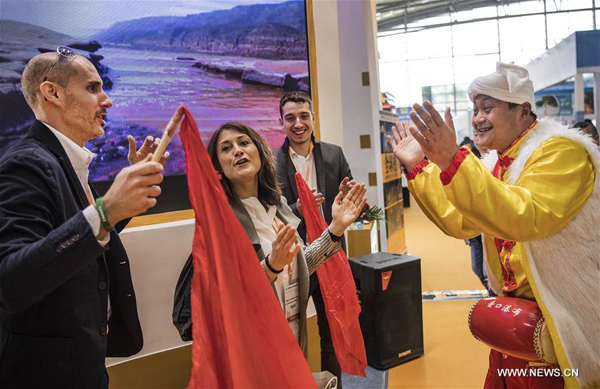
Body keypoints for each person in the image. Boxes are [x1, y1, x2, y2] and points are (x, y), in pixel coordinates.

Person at [388, 62, 599, 388]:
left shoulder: (562, 152)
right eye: (474, 110)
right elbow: (459, 221)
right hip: (515, 325)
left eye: (488, 108)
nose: (477, 119)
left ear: (524, 111)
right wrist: (421, 166)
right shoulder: (497, 163)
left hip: (559, 321)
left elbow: (524, 216)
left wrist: (451, 160)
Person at [0, 47, 171, 388]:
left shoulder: (63, 160)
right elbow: (11, 282)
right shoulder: (25, 164)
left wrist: (119, 207)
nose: (106, 100)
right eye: (93, 88)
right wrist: (107, 210)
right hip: (44, 374)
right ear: (53, 93)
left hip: (80, 362)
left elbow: (70, 233)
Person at [206, 122, 366, 358]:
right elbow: (229, 295)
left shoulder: (277, 205)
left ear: (259, 151)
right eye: (226, 148)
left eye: (243, 142)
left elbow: (302, 265)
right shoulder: (219, 220)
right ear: (218, 166)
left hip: (291, 332)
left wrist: (336, 228)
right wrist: (271, 266)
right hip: (253, 344)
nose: (237, 151)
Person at [274, 91, 355, 384]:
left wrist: (346, 198)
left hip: (331, 254)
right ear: (281, 122)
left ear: (313, 118)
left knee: (332, 332)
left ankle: (334, 385)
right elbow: (271, 212)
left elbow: (349, 195)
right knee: (289, 333)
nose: (298, 123)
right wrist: (298, 208)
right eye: (290, 118)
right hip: (294, 260)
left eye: (303, 116)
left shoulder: (334, 154)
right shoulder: (271, 163)